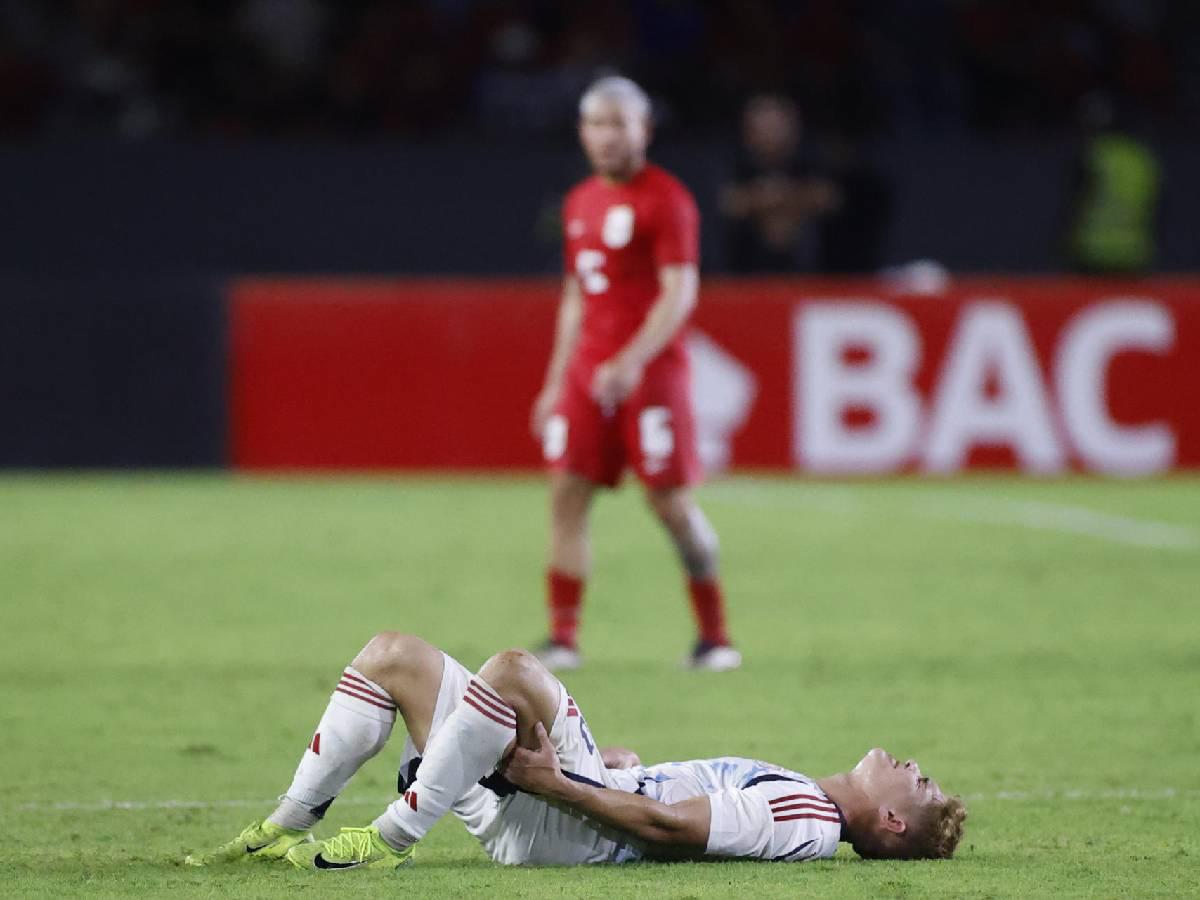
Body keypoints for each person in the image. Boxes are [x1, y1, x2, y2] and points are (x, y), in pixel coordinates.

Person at [185, 631, 967, 871]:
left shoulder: (805, 817)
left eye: (920, 785)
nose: (912, 766)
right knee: (395, 657)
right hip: (573, 801)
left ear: (892, 824)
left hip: (568, 823)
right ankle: (285, 823)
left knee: (518, 672)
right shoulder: (800, 799)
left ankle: (388, 839)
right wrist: (630, 770)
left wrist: (562, 786)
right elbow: (671, 804)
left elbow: (670, 833)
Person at [530, 76, 739, 672]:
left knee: (670, 504)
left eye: (620, 123)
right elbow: (575, 296)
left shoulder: (667, 200)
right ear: (583, 132)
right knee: (566, 496)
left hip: (650, 376)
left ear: (644, 130)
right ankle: (563, 638)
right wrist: (554, 380)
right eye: (597, 124)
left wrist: (631, 360)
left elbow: (681, 292)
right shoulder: (579, 202)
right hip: (586, 377)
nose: (608, 136)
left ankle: (716, 636)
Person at [720, 94, 840, 273]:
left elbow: (829, 197)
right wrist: (774, 199)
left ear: (792, 128)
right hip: (745, 272)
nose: (769, 134)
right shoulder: (733, 160)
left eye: (775, 126)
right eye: (761, 127)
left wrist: (776, 197)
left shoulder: (810, 157)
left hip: (813, 271)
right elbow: (729, 204)